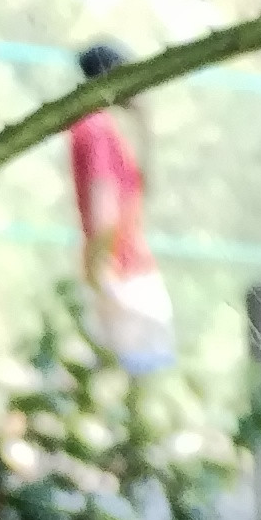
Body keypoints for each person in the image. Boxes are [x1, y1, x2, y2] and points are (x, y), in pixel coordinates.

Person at [66, 41, 177, 371]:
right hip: (122, 269)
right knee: (136, 370)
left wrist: (145, 125)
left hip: (118, 265)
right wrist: (106, 275)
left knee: (115, 368)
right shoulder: (97, 129)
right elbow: (103, 203)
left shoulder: (99, 128)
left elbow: (142, 187)